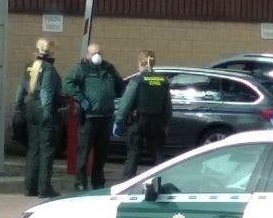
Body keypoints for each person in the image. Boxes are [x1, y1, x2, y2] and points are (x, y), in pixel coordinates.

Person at [62, 43, 126, 191]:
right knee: (83, 153)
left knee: (102, 154)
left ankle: (98, 183)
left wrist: (113, 97)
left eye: (98, 53)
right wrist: (81, 99)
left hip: (106, 116)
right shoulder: (81, 68)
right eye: (93, 53)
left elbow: (120, 86)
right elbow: (67, 84)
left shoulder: (109, 69)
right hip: (89, 118)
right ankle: (80, 183)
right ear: (87, 55)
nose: (96, 56)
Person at [115, 49, 173, 180]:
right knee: (158, 156)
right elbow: (168, 107)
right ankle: (162, 182)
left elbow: (125, 103)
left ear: (140, 62)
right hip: (157, 124)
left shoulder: (137, 80)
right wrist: (165, 124)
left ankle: (127, 185)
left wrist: (118, 121)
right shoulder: (163, 81)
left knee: (133, 155)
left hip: (138, 122)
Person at [16, 38, 61, 198]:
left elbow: (21, 89)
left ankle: (30, 187)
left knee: (33, 149)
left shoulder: (30, 66)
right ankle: (44, 188)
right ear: (51, 51)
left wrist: (18, 107)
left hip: (30, 108)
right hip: (43, 110)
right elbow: (46, 93)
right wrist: (48, 113)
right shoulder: (48, 68)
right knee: (46, 150)